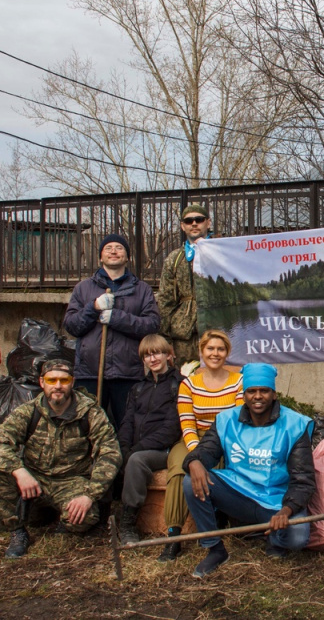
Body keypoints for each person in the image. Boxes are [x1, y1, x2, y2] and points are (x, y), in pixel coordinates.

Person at [182, 363, 315, 578]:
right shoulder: (226, 420)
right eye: (252, 391)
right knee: (190, 481)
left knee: (297, 538)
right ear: (244, 395)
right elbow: (206, 450)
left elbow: (303, 479)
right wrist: (194, 461)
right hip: (239, 494)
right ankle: (215, 549)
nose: (258, 396)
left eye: (264, 391)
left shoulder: (294, 425)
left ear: (274, 394)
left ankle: (272, 538)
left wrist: (286, 511)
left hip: (276, 501)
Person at [0, 359, 121, 559]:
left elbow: (110, 453)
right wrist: (19, 472)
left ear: (72, 382)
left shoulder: (89, 412)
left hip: (71, 481)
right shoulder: (29, 411)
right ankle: (17, 531)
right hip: (33, 479)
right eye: (51, 380)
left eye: (63, 380)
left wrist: (89, 495)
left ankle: (63, 522)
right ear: (42, 382)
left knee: (85, 517)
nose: (57, 386)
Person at [159, 329, 244, 562]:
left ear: (227, 353)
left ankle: (218, 519)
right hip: (193, 438)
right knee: (180, 469)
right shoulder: (189, 384)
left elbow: (236, 420)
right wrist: (197, 453)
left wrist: (216, 449)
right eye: (210, 348)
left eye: (220, 349)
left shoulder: (238, 382)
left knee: (222, 466)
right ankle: (173, 535)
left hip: (225, 438)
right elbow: (187, 423)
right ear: (202, 352)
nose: (215, 353)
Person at [63, 233, 160, 430]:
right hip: (89, 373)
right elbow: (72, 325)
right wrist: (93, 308)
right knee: (88, 427)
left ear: (127, 257)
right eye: (108, 248)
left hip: (127, 373)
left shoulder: (141, 290)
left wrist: (116, 318)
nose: (113, 251)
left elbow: (151, 325)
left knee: (127, 427)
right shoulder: (83, 288)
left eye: (119, 248)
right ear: (101, 257)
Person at [116, 334, 184, 545]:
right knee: (112, 456)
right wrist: (123, 448)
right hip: (137, 447)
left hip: (165, 450)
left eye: (157, 353)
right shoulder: (138, 388)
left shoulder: (179, 385)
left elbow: (171, 429)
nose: (152, 359)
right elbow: (127, 422)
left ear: (168, 355)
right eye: (147, 355)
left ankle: (128, 523)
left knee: (136, 461)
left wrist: (135, 450)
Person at [157, 203, 212, 366]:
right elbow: (165, 301)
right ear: (182, 226)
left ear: (208, 223)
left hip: (215, 332)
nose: (194, 224)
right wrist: (166, 338)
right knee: (184, 377)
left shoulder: (222, 253)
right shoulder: (174, 259)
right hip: (183, 336)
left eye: (199, 219)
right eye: (188, 221)